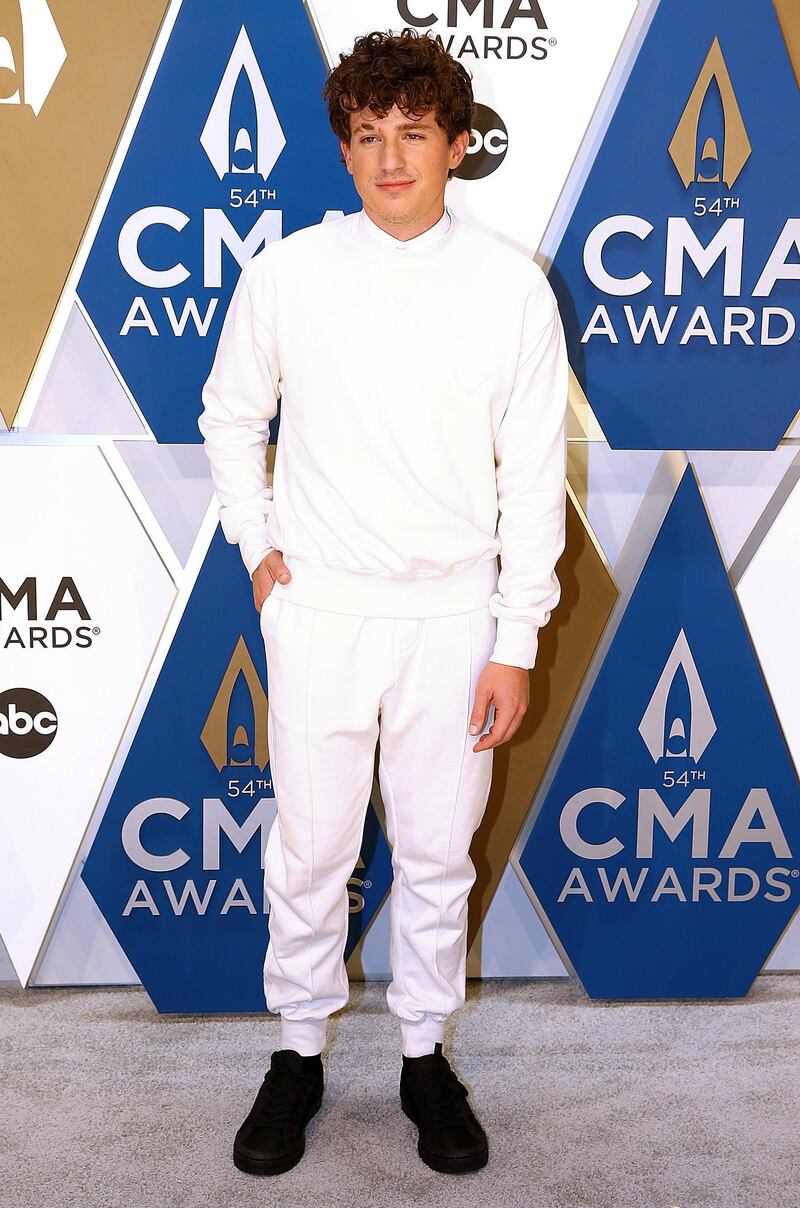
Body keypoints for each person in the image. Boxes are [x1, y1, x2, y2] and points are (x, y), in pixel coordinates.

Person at [198, 26, 568, 1178]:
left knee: (433, 849)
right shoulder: (290, 272)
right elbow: (228, 415)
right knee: (307, 847)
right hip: (318, 613)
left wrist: (514, 640)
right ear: (345, 150)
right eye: (367, 136)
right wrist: (256, 542)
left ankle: (421, 1053)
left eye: (413, 133)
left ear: (457, 146)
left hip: (454, 618)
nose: (390, 157)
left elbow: (529, 476)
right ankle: (297, 1047)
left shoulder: (509, 287)